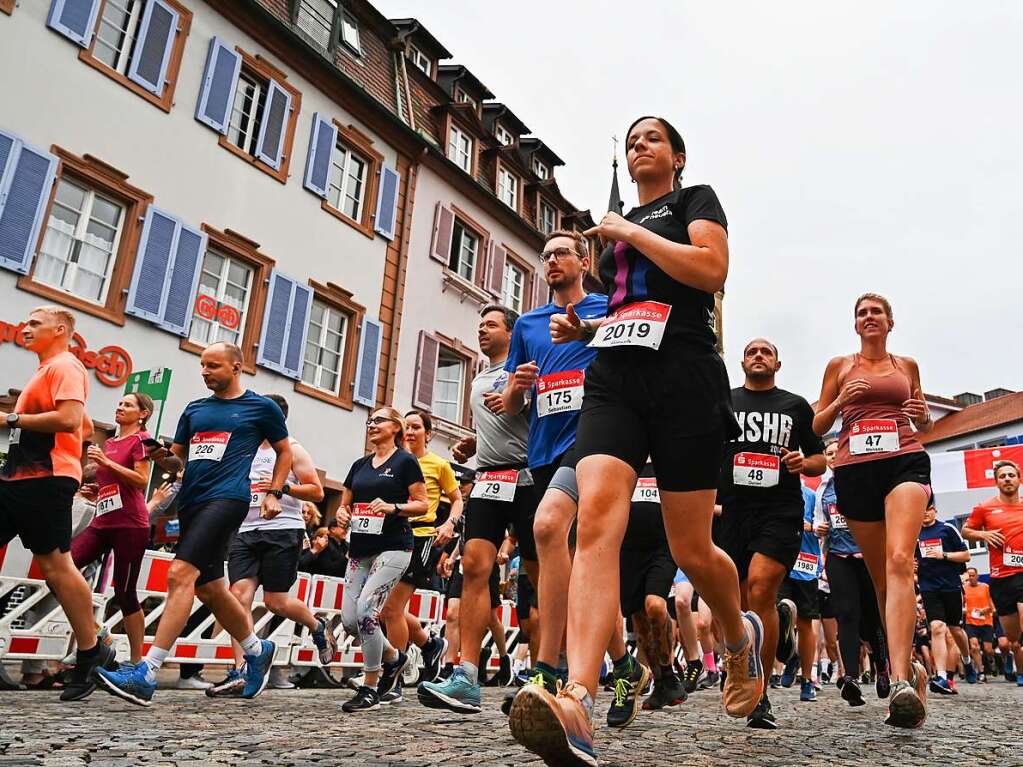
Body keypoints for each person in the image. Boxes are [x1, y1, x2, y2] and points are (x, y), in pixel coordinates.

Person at [513, 117, 761, 767]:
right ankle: (579, 698)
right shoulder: (613, 242)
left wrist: (628, 229)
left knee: (692, 546)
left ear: (676, 155)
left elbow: (709, 272)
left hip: (684, 375)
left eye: (651, 137)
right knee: (594, 519)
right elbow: (626, 314)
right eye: (630, 138)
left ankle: (738, 639)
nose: (638, 144)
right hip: (614, 379)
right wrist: (583, 330)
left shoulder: (692, 201)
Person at [95, 342, 292, 706]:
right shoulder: (195, 409)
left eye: (213, 365)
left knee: (179, 574)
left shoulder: (260, 407)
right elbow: (177, 463)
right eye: (202, 365)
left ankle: (147, 671)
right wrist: (161, 456)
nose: (205, 371)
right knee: (211, 588)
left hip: (228, 499)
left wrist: (274, 492)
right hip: (192, 502)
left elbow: (285, 451)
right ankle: (256, 648)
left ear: (237, 367)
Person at [813, 293, 932, 728]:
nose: (869, 317)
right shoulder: (840, 366)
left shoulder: (907, 367)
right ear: (855, 324)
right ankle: (909, 669)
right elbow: (816, 425)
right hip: (855, 470)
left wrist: (923, 417)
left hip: (905, 459)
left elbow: (924, 423)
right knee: (881, 578)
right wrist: (842, 400)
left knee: (900, 559)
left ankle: (900, 681)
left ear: (890, 322)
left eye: (876, 312)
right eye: (862, 313)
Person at [419, 304, 535, 713]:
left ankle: (543, 673)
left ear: (511, 331)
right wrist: (474, 441)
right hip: (488, 476)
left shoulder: (526, 366)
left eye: (490, 324)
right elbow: (493, 422)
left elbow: (534, 418)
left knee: (537, 575)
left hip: (527, 476)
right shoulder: (481, 375)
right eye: (479, 324)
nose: (482, 330)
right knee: (474, 564)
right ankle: (467, 675)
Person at [0, 306, 116, 700]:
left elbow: (69, 419)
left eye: (35, 323)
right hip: (19, 476)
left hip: (44, 479)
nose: (25, 328)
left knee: (56, 566)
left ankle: (91, 649)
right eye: (26, 321)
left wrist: (11, 420)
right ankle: (92, 648)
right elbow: (83, 426)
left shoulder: (65, 365)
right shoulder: (47, 369)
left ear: (60, 329)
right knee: (56, 566)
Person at [713, 338, 826, 728]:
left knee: (761, 587)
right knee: (738, 601)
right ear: (743, 362)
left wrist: (802, 460)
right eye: (752, 352)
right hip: (733, 511)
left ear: (778, 363)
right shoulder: (724, 401)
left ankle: (760, 695)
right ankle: (775, 630)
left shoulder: (794, 405)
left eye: (766, 352)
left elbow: (820, 458)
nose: (758, 356)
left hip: (780, 510)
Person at [206, 394, 335, 698]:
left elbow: (316, 492)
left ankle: (317, 627)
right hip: (246, 530)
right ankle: (241, 670)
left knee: (276, 602)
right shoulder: (245, 448)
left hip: (282, 531)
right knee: (238, 597)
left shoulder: (293, 449)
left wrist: (282, 487)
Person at [336, 407, 428, 712]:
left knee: (366, 611)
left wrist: (393, 507)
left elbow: (422, 504)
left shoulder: (405, 461)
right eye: (370, 421)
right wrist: (341, 512)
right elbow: (345, 503)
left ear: (395, 428)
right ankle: (394, 658)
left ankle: (370, 686)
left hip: (394, 546)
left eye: (379, 421)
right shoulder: (360, 465)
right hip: (359, 548)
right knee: (351, 622)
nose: (372, 425)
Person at [67, 393, 155, 668]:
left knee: (125, 593)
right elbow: (113, 482)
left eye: (128, 405)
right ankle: (96, 631)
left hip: (130, 524)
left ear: (142, 414)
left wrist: (106, 463)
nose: (120, 407)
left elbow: (141, 481)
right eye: (119, 403)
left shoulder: (142, 440)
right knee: (61, 573)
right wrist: (98, 488)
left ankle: (137, 662)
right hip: (102, 522)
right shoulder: (110, 443)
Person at [380, 409, 459, 700]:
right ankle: (429, 645)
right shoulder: (394, 462)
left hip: (421, 537)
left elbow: (458, 499)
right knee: (382, 610)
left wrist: (449, 523)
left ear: (429, 432)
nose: (410, 432)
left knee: (390, 609)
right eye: (406, 428)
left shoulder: (438, 464)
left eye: (415, 427)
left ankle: (395, 680)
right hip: (390, 536)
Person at [813, 439, 890, 706]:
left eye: (838, 452)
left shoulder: (865, 480)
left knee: (870, 620)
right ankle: (851, 679)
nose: (834, 457)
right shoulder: (824, 488)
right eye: (829, 454)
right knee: (847, 615)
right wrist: (818, 528)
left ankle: (882, 665)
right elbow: (818, 521)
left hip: (867, 557)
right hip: (838, 556)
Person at [619, 464, 686, 709]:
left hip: (663, 544)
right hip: (627, 548)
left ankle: (669, 673)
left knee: (655, 606)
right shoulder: (627, 459)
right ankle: (660, 681)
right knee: (638, 615)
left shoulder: (666, 457)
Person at [963, 459, 1023, 686]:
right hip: (1001, 578)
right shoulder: (985, 507)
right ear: (997, 481)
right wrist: (984, 536)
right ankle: (1012, 663)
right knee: (1013, 641)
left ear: (1019, 478)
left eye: (1011, 475)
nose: (1007, 479)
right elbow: (966, 531)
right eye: (1002, 476)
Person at [914, 501, 973, 693]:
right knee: (937, 628)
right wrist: (913, 568)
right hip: (929, 588)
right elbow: (911, 561)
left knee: (956, 629)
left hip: (951, 586)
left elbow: (966, 556)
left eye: (928, 509)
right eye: (920, 509)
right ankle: (941, 677)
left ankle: (967, 659)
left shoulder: (947, 529)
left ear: (934, 511)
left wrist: (944, 555)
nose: (924, 513)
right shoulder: (914, 533)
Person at [775, 484, 824, 702]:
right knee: (776, 614)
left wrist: (810, 526)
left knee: (805, 623)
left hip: (806, 563)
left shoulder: (812, 496)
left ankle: (806, 680)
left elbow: (823, 526)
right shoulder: (773, 490)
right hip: (779, 560)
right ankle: (791, 655)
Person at [963, 567, 997, 681]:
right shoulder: (964, 589)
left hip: (986, 621)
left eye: (973, 575)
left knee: (988, 649)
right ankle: (980, 672)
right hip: (970, 622)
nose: (971, 578)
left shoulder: (985, 587)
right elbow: (960, 604)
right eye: (969, 576)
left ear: (977, 576)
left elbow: (992, 607)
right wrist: (964, 609)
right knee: (974, 647)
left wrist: (984, 610)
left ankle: (991, 661)